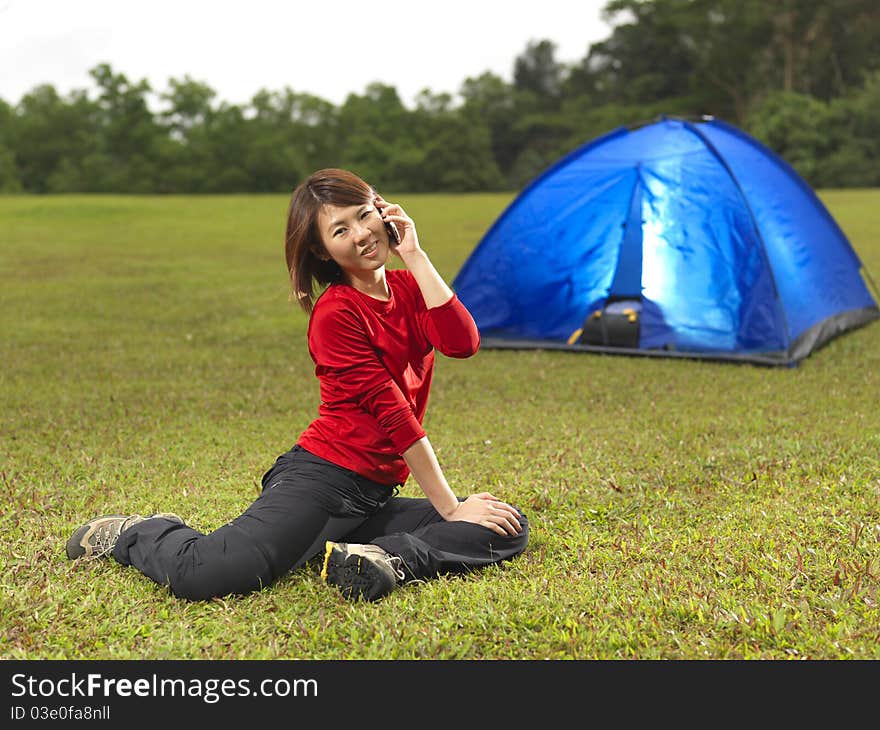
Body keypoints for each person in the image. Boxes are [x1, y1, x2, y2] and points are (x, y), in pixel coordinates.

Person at [65, 168, 529, 602]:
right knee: (209, 574)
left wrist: (415, 253)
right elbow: (394, 416)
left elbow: (463, 343)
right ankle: (138, 532)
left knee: (506, 525)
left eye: (363, 214)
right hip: (322, 479)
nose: (362, 234)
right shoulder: (336, 314)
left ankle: (385, 558)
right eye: (340, 230)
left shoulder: (411, 289)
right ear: (324, 252)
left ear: (384, 211)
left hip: (373, 493)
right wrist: (448, 506)